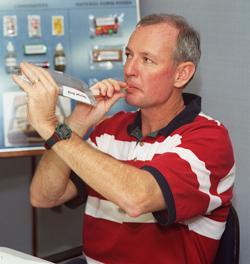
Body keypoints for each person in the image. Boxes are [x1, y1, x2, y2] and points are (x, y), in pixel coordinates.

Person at [13, 14, 235, 264]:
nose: (129, 70)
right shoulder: (109, 129)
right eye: (129, 55)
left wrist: (51, 126)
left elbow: (136, 197)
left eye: (147, 60)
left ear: (181, 74)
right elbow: (44, 195)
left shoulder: (209, 139)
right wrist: (76, 123)